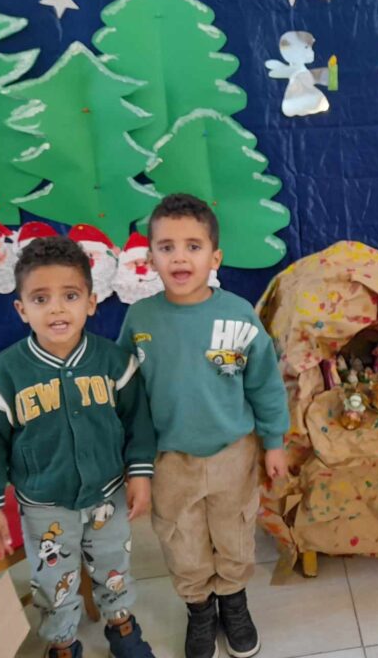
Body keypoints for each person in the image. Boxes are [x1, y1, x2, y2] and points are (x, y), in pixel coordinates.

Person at [120, 194, 289, 658]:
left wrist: (273, 442)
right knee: (181, 538)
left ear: (215, 257)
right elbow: (127, 395)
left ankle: (233, 601)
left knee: (234, 533)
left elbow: (265, 384)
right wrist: (135, 463)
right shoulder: (140, 319)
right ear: (150, 257)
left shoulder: (239, 314)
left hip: (233, 451)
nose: (180, 257)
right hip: (169, 459)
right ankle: (199, 609)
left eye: (193, 246)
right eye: (167, 247)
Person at [0, 237, 156, 658]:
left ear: (91, 302)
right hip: (44, 504)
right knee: (53, 581)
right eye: (41, 298)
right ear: (22, 309)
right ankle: (63, 642)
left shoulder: (114, 362)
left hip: (108, 492)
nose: (56, 309)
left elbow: (137, 423)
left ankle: (121, 624)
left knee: (114, 564)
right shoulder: (5, 373)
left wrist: (140, 473)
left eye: (70, 296)